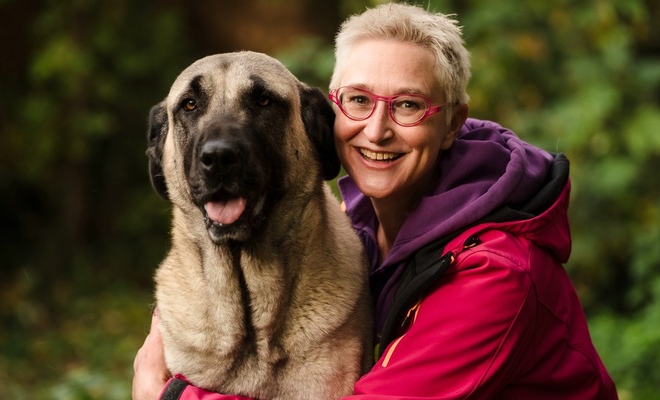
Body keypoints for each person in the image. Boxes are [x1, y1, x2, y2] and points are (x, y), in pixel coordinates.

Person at [133, 3, 618, 399]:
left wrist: (168, 396)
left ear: (452, 122)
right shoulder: (359, 227)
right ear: (334, 116)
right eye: (360, 100)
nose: (378, 130)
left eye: (408, 104)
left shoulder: (496, 274)